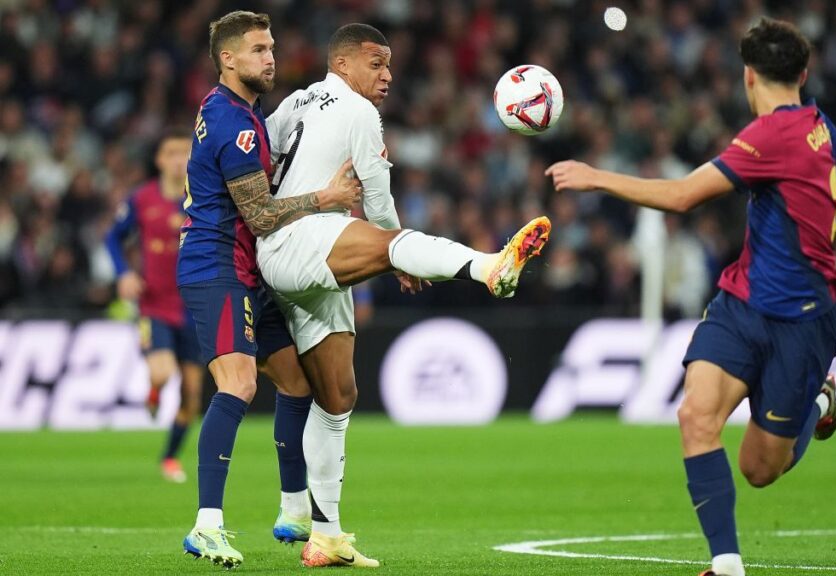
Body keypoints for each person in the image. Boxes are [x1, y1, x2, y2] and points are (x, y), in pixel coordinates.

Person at [545, 18, 836, 576]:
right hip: (742, 304)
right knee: (695, 416)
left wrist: (598, 177)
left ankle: (818, 402)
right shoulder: (820, 126)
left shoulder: (770, 136)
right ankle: (726, 562)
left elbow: (685, 195)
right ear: (803, 74)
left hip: (803, 324)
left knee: (760, 469)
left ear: (747, 77)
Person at [259, 23, 551, 568]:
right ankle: (489, 266)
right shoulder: (359, 112)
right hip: (302, 241)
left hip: (296, 252)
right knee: (399, 243)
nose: (388, 75)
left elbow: (260, 165)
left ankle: (325, 535)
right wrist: (394, 253)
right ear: (343, 65)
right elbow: (378, 193)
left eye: (390, 64)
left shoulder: (295, 102)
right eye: (377, 63)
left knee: (337, 397)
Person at [176, 11, 363, 569]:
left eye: (271, 47)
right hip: (216, 266)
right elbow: (258, 215)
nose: (270, 58)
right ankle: (206, 525)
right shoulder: (234, 123)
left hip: (247, 269)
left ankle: (292, 510)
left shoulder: (236, 113)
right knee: (236, 383)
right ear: (228, 59)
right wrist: (324, 199)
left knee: (297, 381)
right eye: (258, 49)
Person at [105, 127, 203, 484]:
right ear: (160, 160)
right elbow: (112, 237)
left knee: (192, 396)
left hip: (194, 307)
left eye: (184, 153)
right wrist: (123, 274)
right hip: (155, 306)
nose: (179, 161)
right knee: (162, 373)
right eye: (171, 154)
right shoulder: (142, 199)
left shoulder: (202, 197)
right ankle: (153, 391)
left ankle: (169, 457)